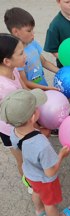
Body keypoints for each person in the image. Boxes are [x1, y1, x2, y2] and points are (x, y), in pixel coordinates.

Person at [0, 89, 70, 216]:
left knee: (36, 192)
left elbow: (23, 144)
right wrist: (61, 155)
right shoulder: (42, 144)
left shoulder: (13, 131)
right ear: (33, 117)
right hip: (44, 180)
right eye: (37, 107)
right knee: (49, 202)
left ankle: (38, 210)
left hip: (29, 173)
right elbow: (50, 172)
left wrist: (39, 131)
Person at [4, 7, 59, 92]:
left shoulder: (33, 43)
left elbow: (44, 62)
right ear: (15, 32)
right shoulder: (15, 55)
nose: (33, 33)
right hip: (32, 94)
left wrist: (61, 72)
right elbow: (25, 82)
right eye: (29, 31)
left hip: (43, 86)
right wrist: (47, 89)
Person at [0, 33, 26, 177]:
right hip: (10, 130)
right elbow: (18, 117)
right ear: (7, 61)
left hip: (22, 120)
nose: (25, 56)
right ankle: (29, 183)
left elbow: (25, 90)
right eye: (21, 53)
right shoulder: (5, 88)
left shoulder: (14, 70)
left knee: (28, 155)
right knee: (21, 159)